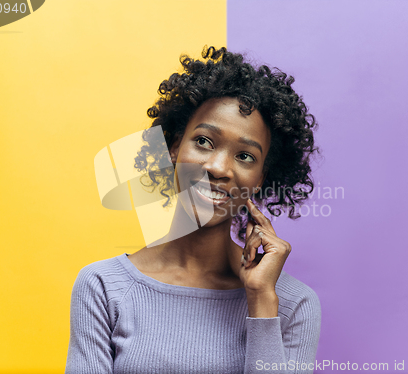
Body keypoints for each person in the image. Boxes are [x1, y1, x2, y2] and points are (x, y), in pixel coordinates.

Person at [65, 46, 321, 374]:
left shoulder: (293, 304)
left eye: (245, 156)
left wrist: (261, 301)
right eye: (203, 142)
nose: (217, 167)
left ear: (260, 179)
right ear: (173, 147)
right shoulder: (103, 287)